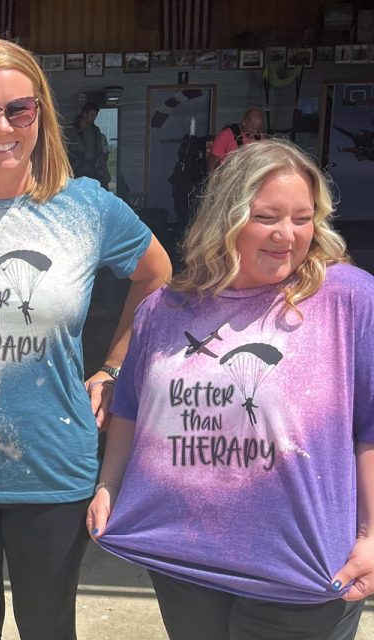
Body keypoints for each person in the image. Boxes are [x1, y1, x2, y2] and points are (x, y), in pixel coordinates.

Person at [0, 39, 171, 639]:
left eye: (19, 110)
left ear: (40, 116)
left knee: (48, 627)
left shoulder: (84, 208)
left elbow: (156, 273)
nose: (2, 127)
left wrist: (116, 366)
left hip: (51, 466)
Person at [88, 139, 374, 640]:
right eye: (267, 217)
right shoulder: (165, 308)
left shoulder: (348, 301)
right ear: (228, 217)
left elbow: (370, 425)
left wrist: (373, 534)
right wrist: (109, 484)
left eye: (302, 218)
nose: (287, 235)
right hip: (183, 558)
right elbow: (131, 407)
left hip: (299, 572)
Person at [66, 100, 110, 189]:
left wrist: (104, 171)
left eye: (95, 116)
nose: (94, 118)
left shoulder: (95, 131)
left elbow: (100, 152)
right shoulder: (71, 131)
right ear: (84, 114)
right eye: (92, 115)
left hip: (94, 170)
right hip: (77, 170)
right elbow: (65, 152)